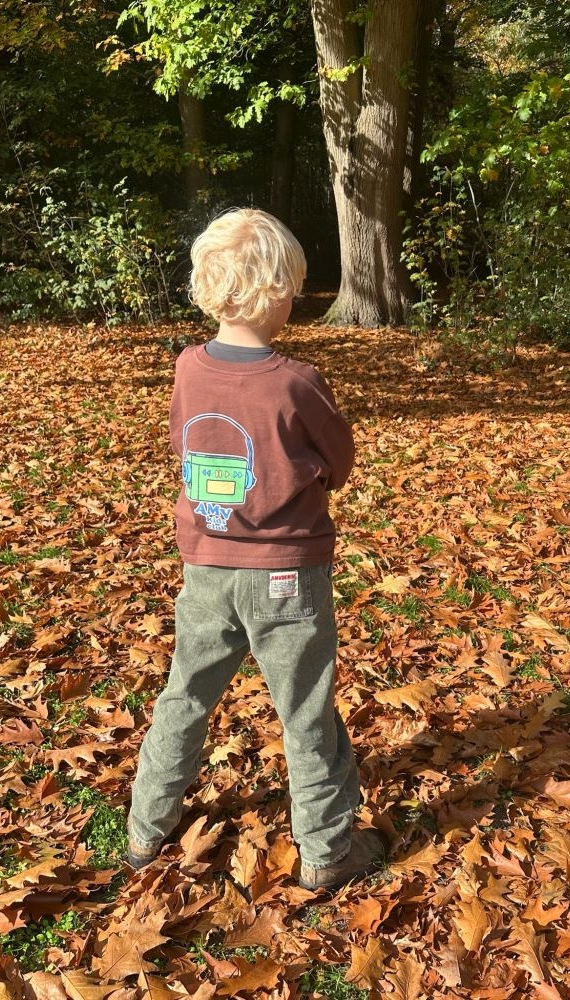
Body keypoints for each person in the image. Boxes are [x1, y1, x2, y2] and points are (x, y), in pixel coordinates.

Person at [127, 207, 389, 892]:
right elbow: (338, 460)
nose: (295, 300)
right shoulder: (297, 381)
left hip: (207, 566)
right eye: (293, 288)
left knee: (186, 693)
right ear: (274, 291)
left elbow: (186, 440)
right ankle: (327, 850)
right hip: (287, 575)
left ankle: (145, 828)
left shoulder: (189, 367)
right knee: (305, 708)